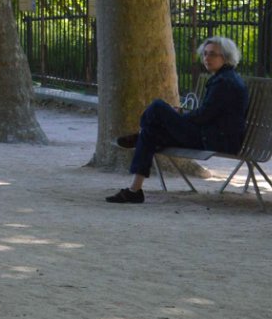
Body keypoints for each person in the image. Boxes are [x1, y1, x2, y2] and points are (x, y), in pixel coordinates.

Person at [106, 36, 249, 204]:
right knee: (150, 133)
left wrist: (180, 117)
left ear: (225, 58)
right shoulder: (224, 78)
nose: (206, 58)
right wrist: (180, 117)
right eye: (205, 54)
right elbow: (209, 114)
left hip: (215, 140)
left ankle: (139, 134)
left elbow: (204, 116)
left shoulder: (225, 82)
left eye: (212, 55)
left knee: (158, 107)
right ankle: (134, 190)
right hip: (210, 135)